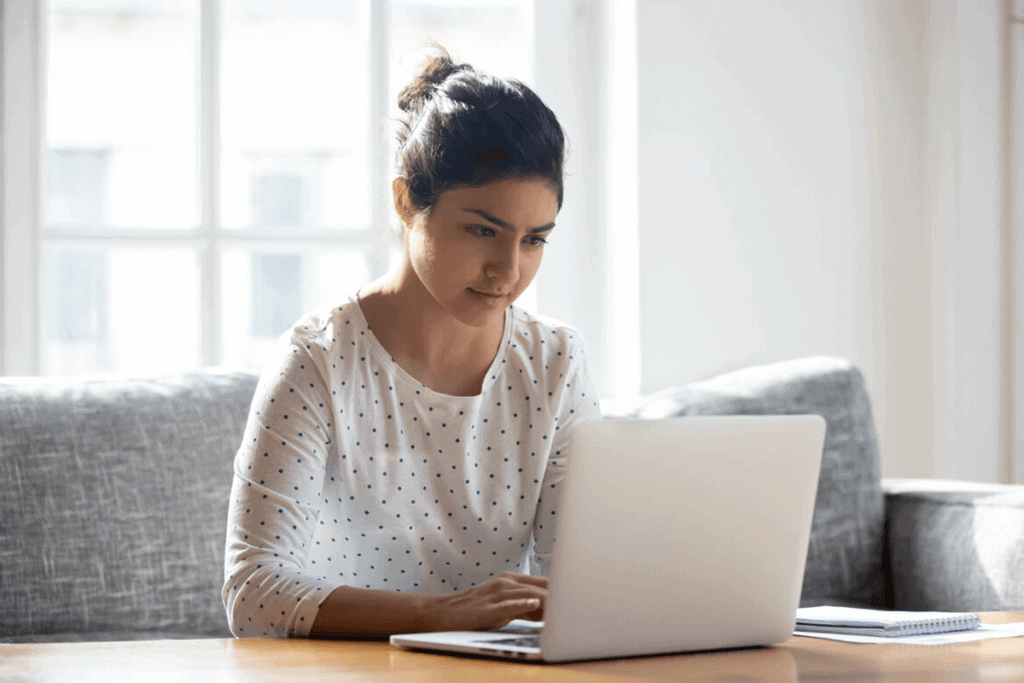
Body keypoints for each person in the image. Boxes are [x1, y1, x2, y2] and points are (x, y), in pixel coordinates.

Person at [222, 46, 601, 639]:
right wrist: (437, 616)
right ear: (405, 202)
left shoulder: (556, 364)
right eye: (483, 230)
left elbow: (579, 588)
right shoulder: (318, 360)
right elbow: (253, 593)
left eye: (534, 240)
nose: (508, 270)